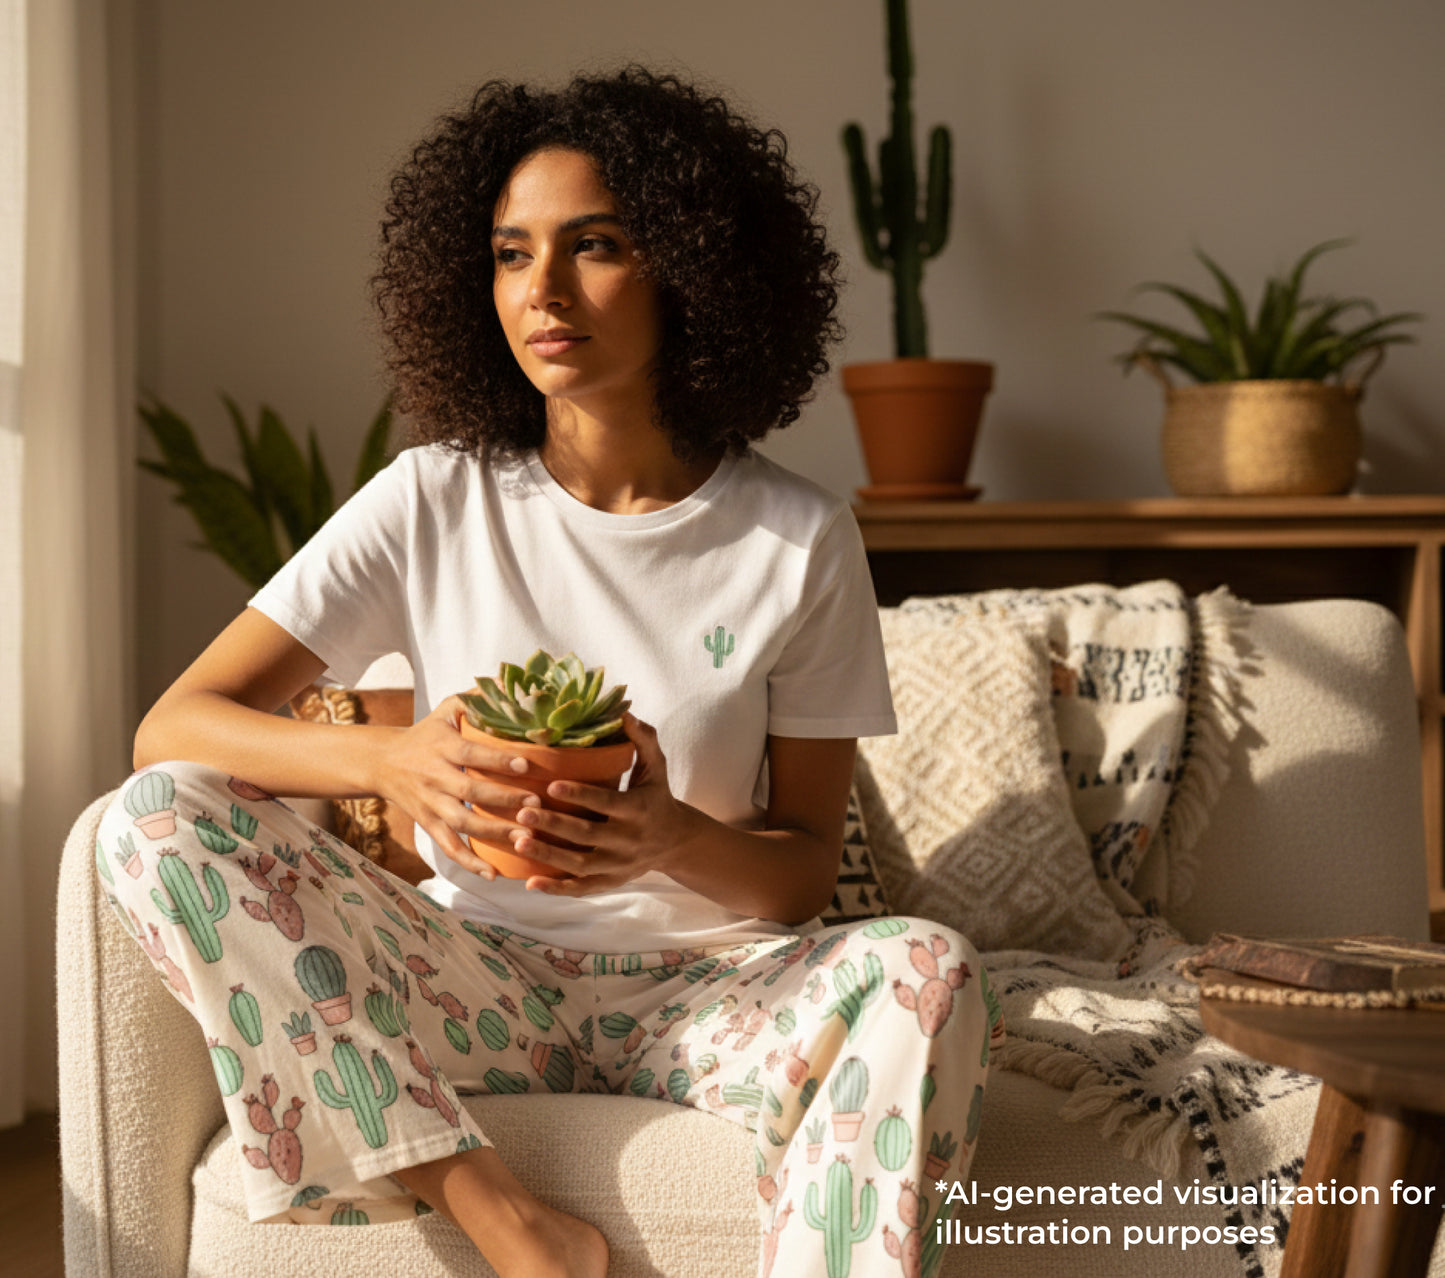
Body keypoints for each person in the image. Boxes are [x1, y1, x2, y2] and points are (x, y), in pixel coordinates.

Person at [97, 67, 997, 1278]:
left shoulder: (797, 536)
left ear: (691, 268)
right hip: (473, 981)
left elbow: (794, 879)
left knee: (925, 964)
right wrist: (391, 761)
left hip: (711, 994)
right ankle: (498, 1214)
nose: (543, 291)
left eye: (596, 246)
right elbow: (174, 727)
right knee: (150, 821)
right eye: (511, 254)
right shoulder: (430, 496)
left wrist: (667, 836)